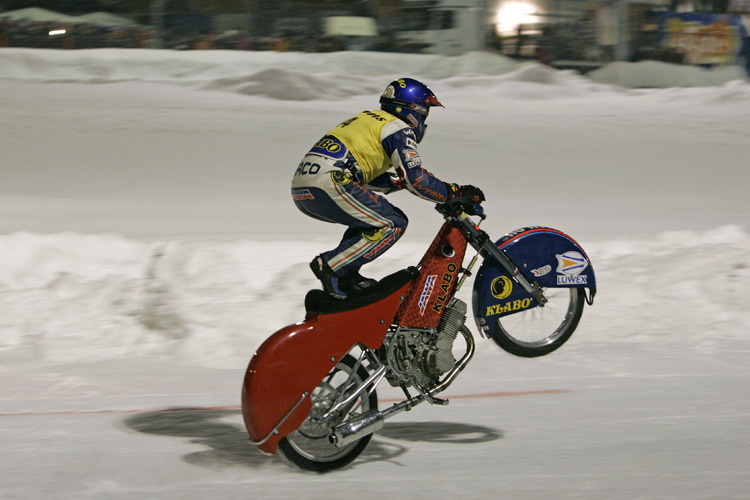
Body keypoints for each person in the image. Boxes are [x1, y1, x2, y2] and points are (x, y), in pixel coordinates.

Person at [291, 77, 484, 299]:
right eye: (425, 113)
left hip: (306, 187)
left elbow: (362, 171)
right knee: (393, 222)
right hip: (329, 182)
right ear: (413, 109)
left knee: (370, 220)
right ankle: (332, 266)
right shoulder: (398, 128)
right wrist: (455, 193)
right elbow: (417, 180)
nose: (424, 120)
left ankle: (347, 276)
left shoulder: (368, 118)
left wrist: (395, 182)